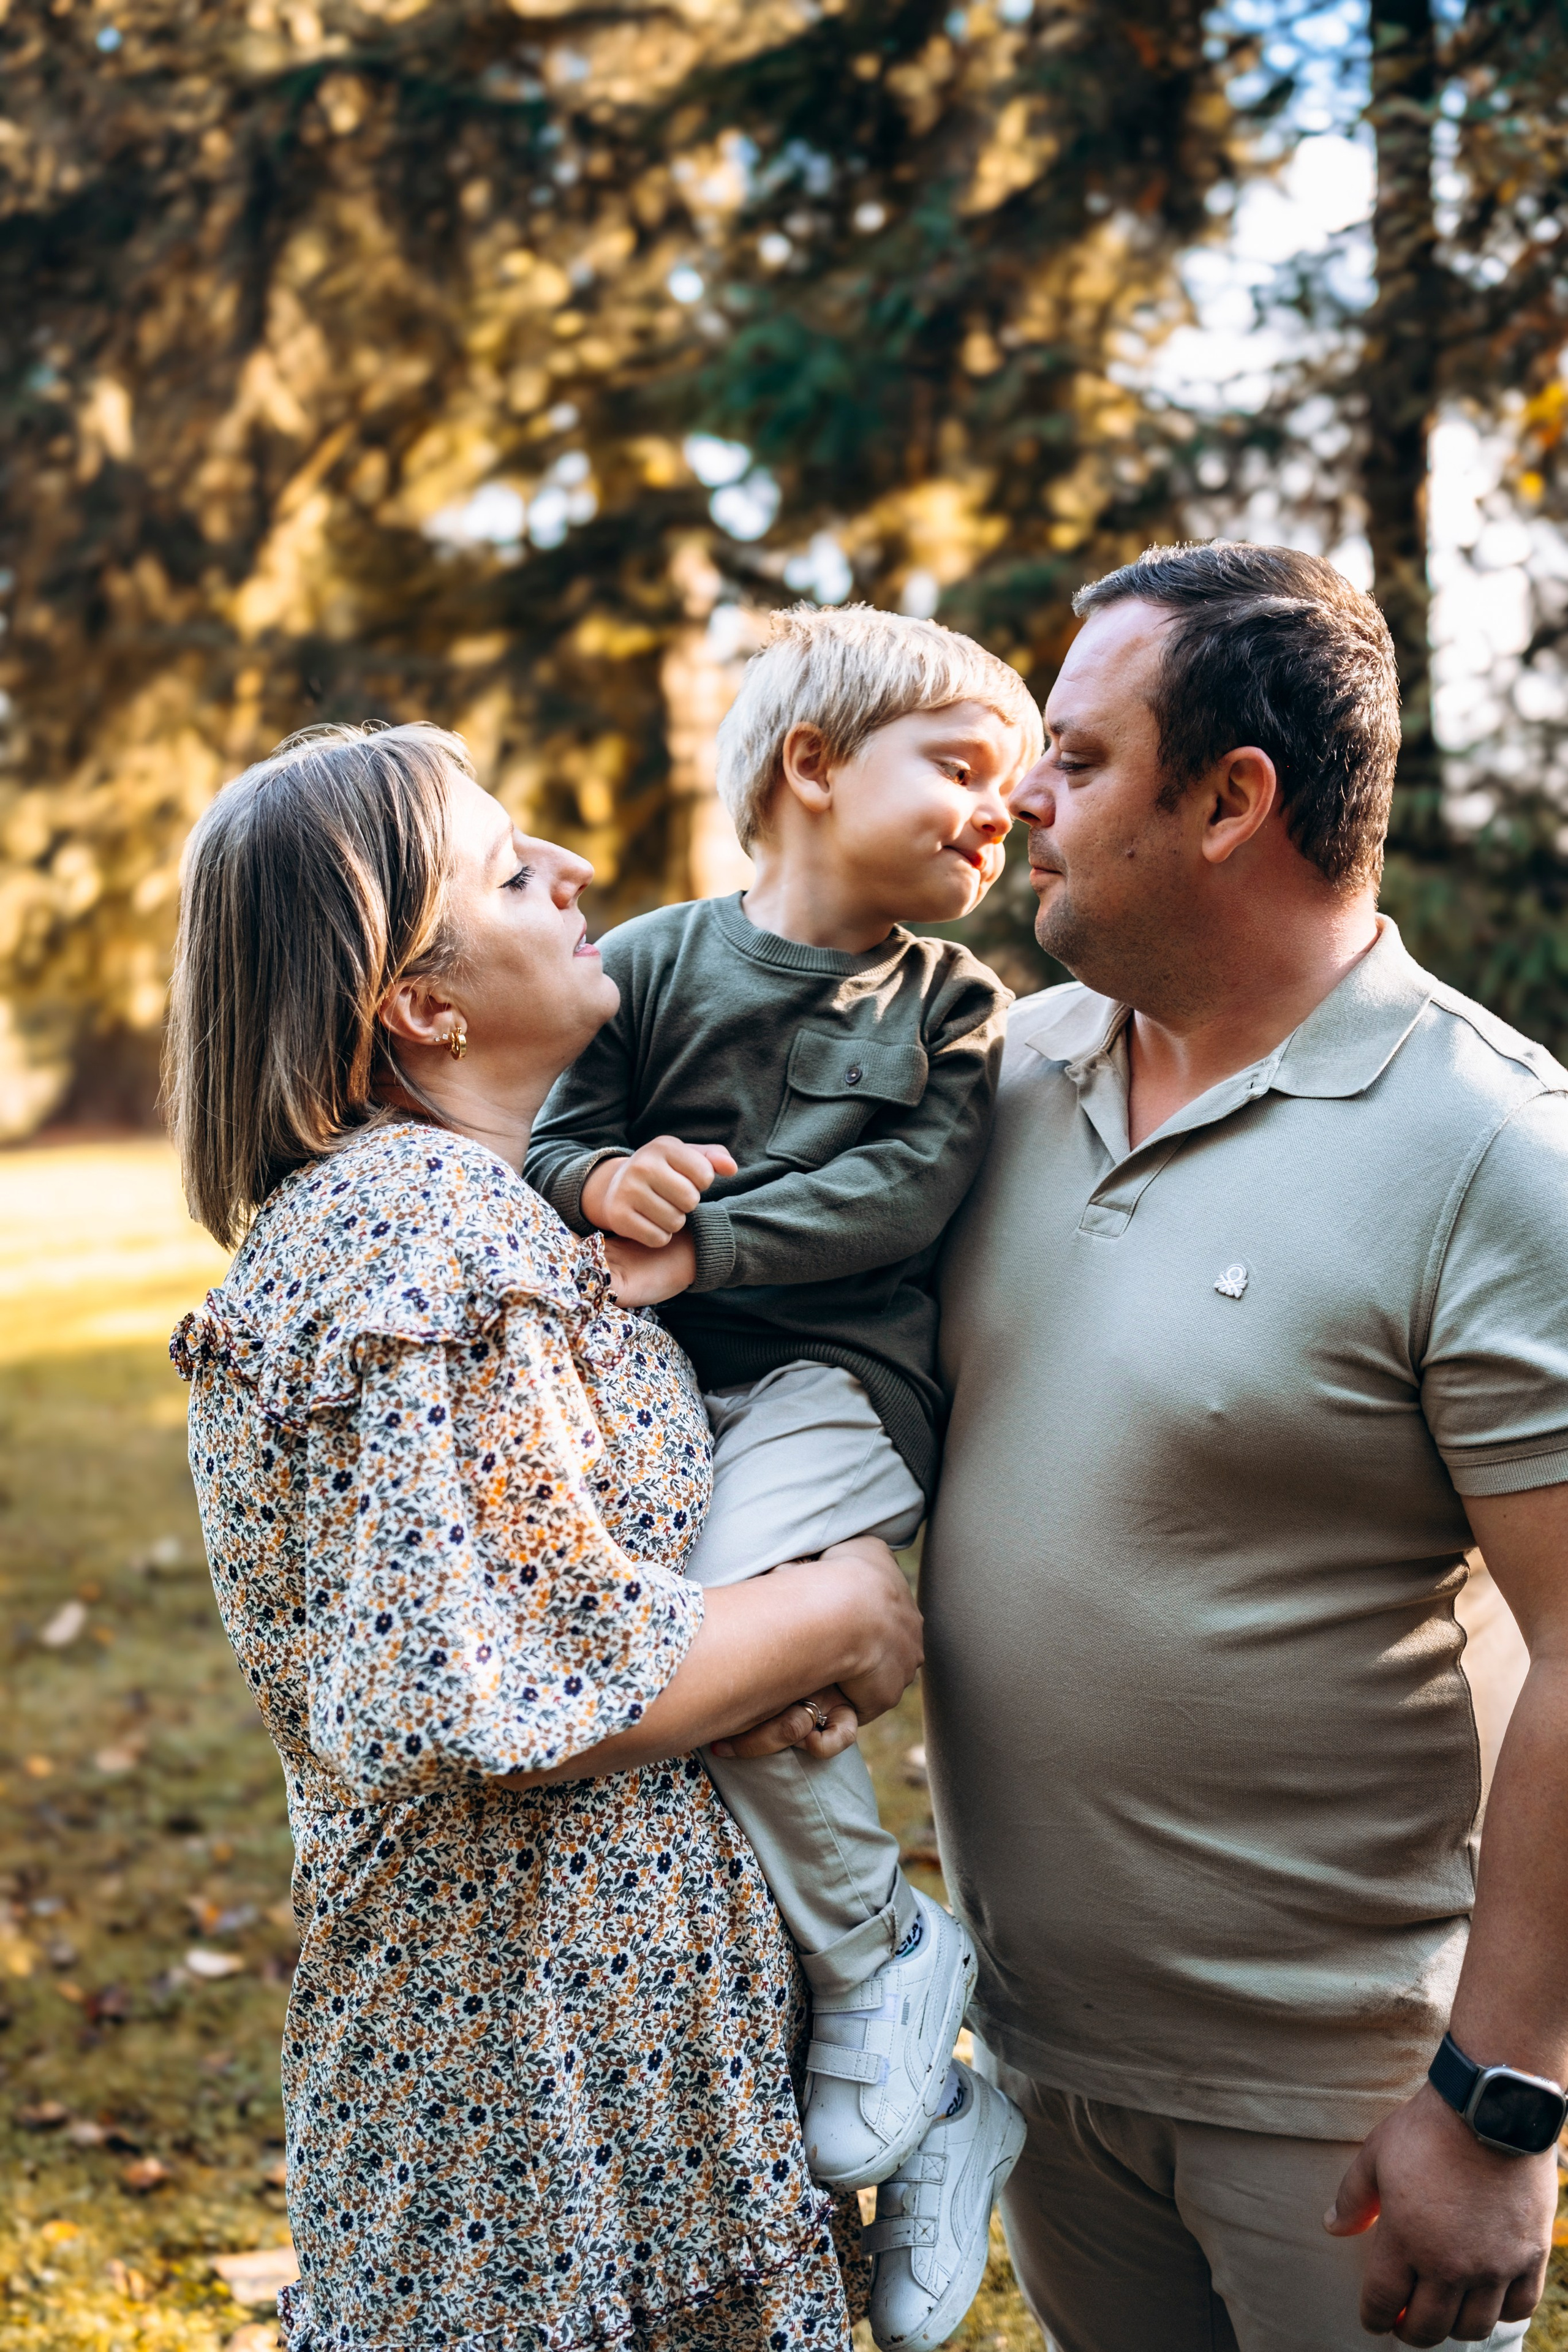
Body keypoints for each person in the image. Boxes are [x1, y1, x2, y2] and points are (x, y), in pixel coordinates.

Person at [163, 721, 929, 2352]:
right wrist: (842, 1613)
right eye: (513, 872)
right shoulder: (419, 1228)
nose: (575, 871)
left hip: (600, 2034)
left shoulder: (476, 1219)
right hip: (535, 2081)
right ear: (421, 1007)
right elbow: (488, 1697)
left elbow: (569, 1609)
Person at [922, 543, 1568, 2352]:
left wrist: (1500, 2098)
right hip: (1038, 2061)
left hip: (1347, 2113)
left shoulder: (1493, 1152)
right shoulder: (997, 1081)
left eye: (1074, 752)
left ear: (1229, 799)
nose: (1020, 795)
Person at [527, 606, 1038, 2350]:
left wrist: (707, 1246)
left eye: (1015, 788)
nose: (999, 813)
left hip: (837, 1388)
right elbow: (555, 1130)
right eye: (962, 769)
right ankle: (942, 2091)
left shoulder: (963, 1002)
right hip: (656, 1406)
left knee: (711, 1649)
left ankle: (890, 1966)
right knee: (728, 1699)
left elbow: (907, 1196)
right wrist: (613, 1189)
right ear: (812, 769)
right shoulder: (660, 962)